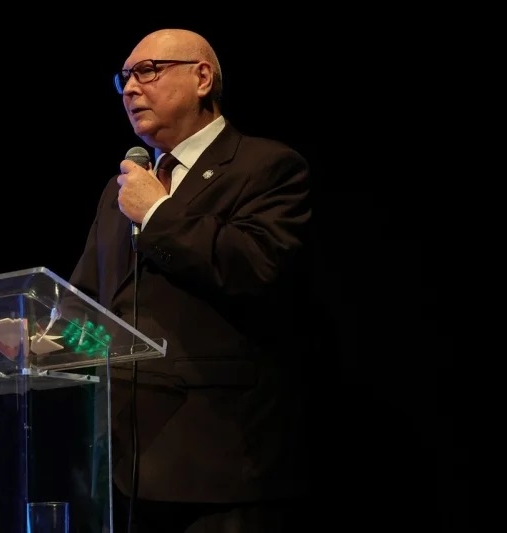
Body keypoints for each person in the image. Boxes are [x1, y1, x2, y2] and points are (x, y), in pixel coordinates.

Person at [66, 28, 315, 532]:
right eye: (123, 78)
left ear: (202, 78)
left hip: (217, 464)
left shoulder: (266, 167)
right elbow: (88, 300)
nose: (130, 88)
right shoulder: (121, 190)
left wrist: (157, 214)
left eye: (147, 71)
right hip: (121, 467)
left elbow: (255, 266)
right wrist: (43, 336)